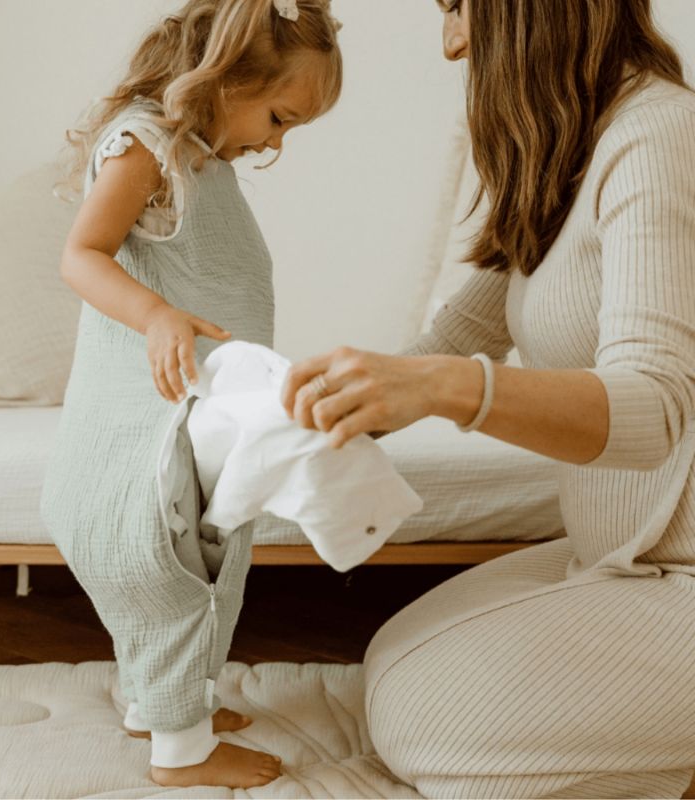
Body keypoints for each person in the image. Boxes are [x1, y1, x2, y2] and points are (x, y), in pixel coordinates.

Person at [281, 0, 695, 796]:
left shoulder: (665, 135)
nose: (450, 44)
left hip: (679, 568)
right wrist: (299, 411)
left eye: (457, 8)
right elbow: (455, 335)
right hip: (615, 558)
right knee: (391, 662)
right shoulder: (569, 150)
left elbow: (651, 410)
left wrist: (442, 390)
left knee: (422, 718)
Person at [40, 0, 341, 789]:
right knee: (170, 572)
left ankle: (165, 704)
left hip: (207, 422)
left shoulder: (203, 160)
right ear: (229, 75)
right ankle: (183, 752)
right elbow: (82, 255)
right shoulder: (148, 145)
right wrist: (156, 316)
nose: (276, 142)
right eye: (279, 116)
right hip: (153, 427)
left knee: (216, 564)